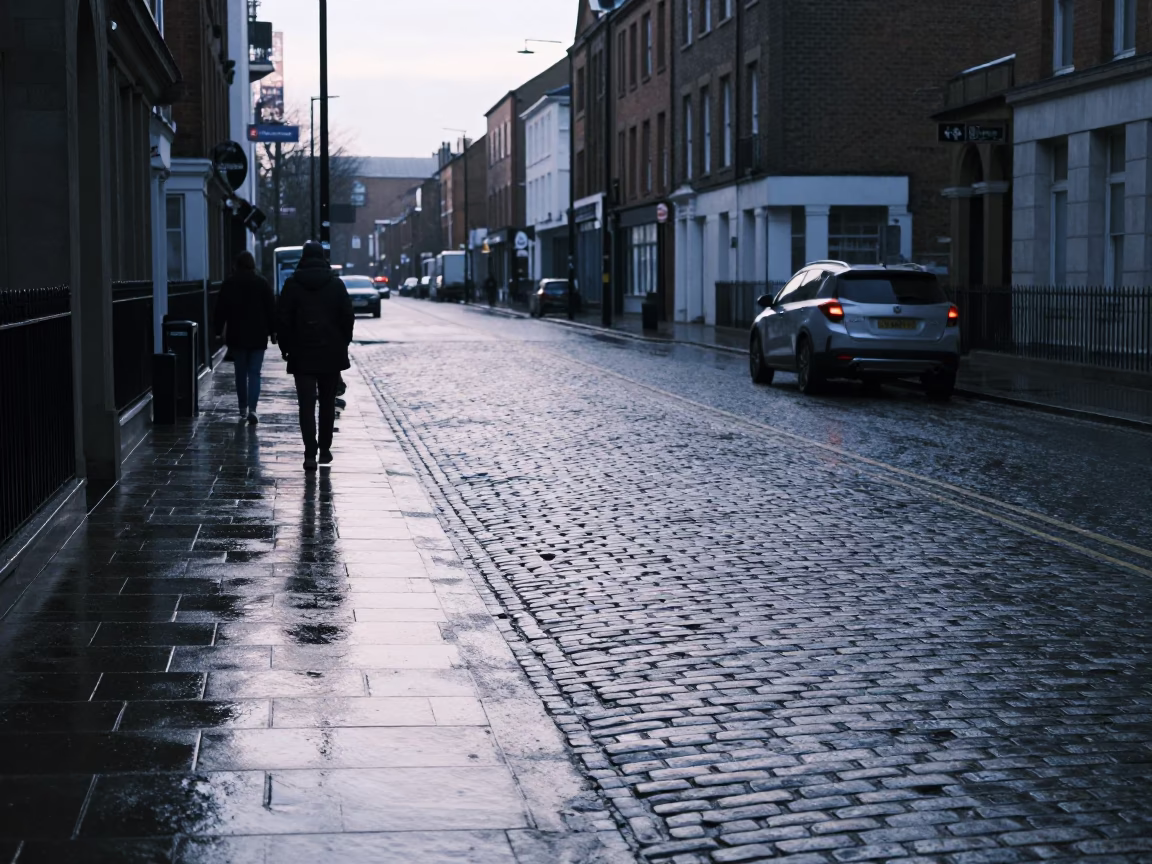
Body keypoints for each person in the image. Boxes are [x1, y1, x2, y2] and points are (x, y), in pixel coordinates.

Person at [277, 242, 354, 471]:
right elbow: (347, 317)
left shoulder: (292, 285)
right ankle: (325, 449)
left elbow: (283, 318)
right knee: (327, 403)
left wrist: (285, 347)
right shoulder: (335, 285)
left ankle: (310, 453)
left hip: (302, 353)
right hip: (330, 352)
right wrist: (343, 342)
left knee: (306, 405)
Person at [215, 250, 276, 425]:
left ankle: (242, 408)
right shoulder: (262, 283)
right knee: (255, 373)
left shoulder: (230, 284)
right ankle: (253, 409)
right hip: (258, 335)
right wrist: (273, 332)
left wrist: (218, 330)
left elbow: (221, 309)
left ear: (237, 265)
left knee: (240, 373)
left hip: (237, 335)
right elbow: (271, 309)